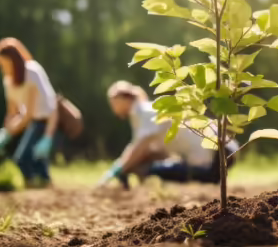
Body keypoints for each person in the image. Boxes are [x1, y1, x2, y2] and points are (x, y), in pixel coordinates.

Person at [99, 80, 238, 190]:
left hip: (216, 157)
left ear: (123, 99)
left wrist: (117, 171)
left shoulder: (145, 111)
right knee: (144, 163)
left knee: (146, 168)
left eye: (113, 102)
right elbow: (151, 150)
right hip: (225, 150)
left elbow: (139, 148)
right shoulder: (145, 111)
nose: (113, 108)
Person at [0, 37, 59, 188]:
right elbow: (12, 112)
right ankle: (43, 185)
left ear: (12, 59)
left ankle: (38, 187)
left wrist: (9, 134)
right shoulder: (8, 80)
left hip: (46, 121)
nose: (2, 67)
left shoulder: (32, 72)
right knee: (36, 160)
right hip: (33, 121)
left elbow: (47, 107)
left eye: (3, 63)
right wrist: (4, 131)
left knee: (23, 158)